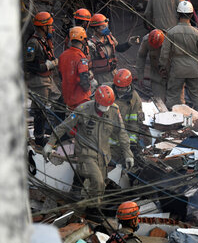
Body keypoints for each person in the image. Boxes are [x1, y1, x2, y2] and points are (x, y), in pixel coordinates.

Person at [43, 85, 134, 201]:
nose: (104, 109)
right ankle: (93, 209)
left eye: (107, 106)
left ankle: (81, 195)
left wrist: (128, 155)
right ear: (96, 101)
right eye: (102, 106)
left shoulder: (114, 111)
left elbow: (122, 133)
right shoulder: (82, 110)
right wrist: (50, 144)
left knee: (101, 186)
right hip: (85, 152)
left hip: (103, 155)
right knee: (98, 182)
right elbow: (63, 127)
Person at [159, 1, 198, 113]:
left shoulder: (171, 32)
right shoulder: (197, 33)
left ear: (178, 14)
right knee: (196, 96)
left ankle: (172, 120)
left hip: (177, 69)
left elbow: (164, 54)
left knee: (172, 97)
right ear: (191, 15)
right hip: (194, 69)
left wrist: (163, 68)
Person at [24, 12, 61, 147]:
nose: (51, 28)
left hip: (47, 78)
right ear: (43, 27)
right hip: (38, 81)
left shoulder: (44, 40)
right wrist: (46, 66)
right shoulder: (33, 43)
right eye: (49, 26)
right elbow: (27, 64)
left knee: (59, 99)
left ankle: (54, 130)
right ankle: (39, 138)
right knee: (41, 109)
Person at [88, 13, 140, 84]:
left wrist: (129, 43)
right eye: (103, 26)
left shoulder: (109, 38)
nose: (106, 28)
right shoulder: (91, 44)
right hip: (100, 78)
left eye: (106, 26)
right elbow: (88, 65)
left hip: (113, 74)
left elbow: (119, 48)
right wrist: (92, 80)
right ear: (96, 29)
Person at [58, 26, 91, 110]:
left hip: (68, 98)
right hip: (80, 99)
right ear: (82, 39)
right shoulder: (81, 57)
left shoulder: (62, 55)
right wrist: (88, 89)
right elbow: (84, 80)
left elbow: (60, 76)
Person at [108, 69, 143, 146]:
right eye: (117, 87)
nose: (119, 89)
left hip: (120, 139)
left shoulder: (135, 99)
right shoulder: (107, 91)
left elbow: (134, 124)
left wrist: (132, 143)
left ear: (128, 85)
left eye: (122, 88)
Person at [136, 29, 168, 100]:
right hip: (156, 75)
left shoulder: (171, 41)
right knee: (159, 101)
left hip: (172, 75)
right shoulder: (146, 40)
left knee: (175, 102)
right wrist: (140, 76)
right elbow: (141, 56)